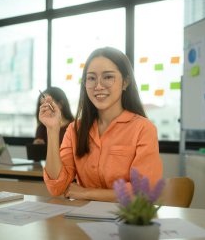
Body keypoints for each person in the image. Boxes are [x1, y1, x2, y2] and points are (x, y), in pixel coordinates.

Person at [38, 47, 163, 202]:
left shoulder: (143, 128)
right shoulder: (74, 129)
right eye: (91, 78)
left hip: (127, 220)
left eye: (108, 77)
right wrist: (52, 130)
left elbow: (144, 192)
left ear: (125, 82)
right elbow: (56, 186)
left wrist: (86, 193)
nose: (98, 86)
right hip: (84, 218)